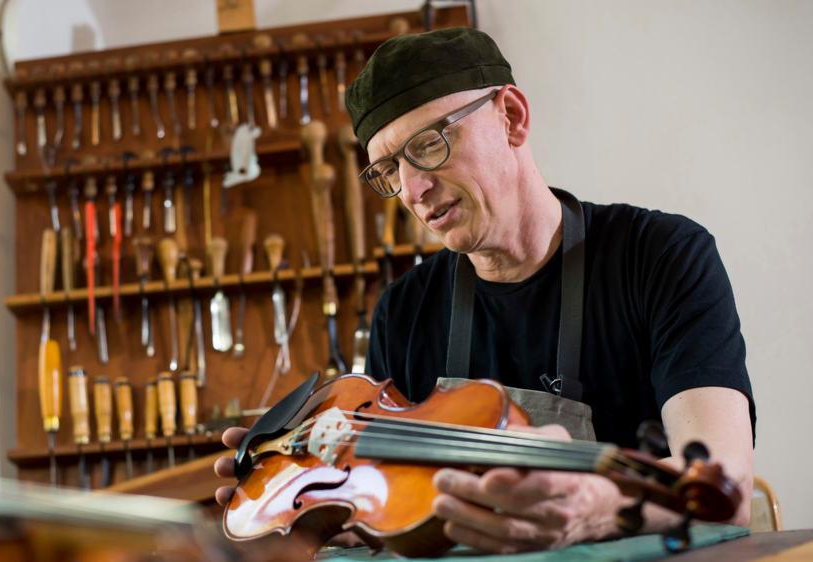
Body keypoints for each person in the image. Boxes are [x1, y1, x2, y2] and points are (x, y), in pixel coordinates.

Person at [215, 27, 755, 554]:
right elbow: (398, 510)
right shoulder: (403, 310)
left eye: (428, 144)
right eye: (389, 170)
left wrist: (593, 508)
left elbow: (725, 488)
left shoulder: (661, 256)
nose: (411, 190)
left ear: (512, 117)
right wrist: (337, 514)